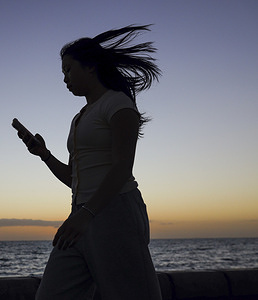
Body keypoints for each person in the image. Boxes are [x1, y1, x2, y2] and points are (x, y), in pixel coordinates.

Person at [15, 24, 162, 300]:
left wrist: (87, 215)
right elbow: (75, 177)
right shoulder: (80, 117)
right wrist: (44, 155)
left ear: (91, 66)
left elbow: (121, 168)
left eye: (69, 70)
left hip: (115, 213)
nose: (65, 78)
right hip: (80, 215)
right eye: (63, 73)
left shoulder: (118, 105)